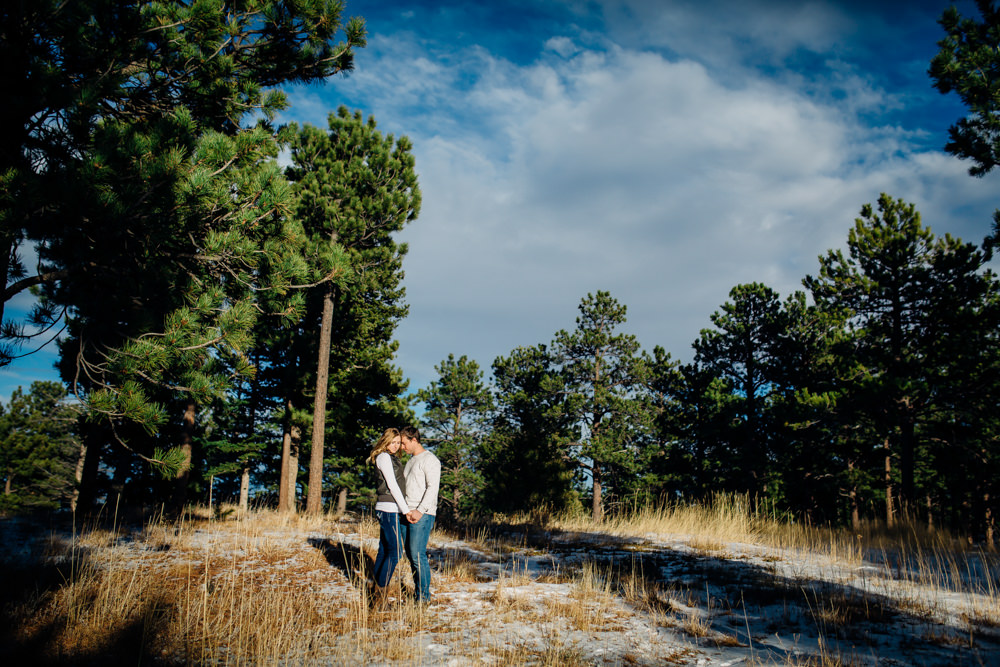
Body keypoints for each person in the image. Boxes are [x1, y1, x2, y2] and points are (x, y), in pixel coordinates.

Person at [367, 428, 409, 608]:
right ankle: (380, 599)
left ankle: (374, 596)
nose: (396, 446)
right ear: (385, 441)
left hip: (390, 509)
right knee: (396, 551)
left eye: (398, 443)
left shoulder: (392, 458)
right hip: (389, 509)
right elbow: (391, 485)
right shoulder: (384, 457)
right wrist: (405, 510)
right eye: (393, 442)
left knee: (384, 550)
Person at [399, 425, 440, 604]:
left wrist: (420, 511)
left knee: (417, 555)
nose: (402, 447)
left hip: (421, 514)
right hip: (406, 512)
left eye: (403, 443)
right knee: (411, 555)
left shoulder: (430, 460)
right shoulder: (410, 461)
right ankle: (418, 593)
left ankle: (423, 598)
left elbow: (433, 488)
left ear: (414, 440)